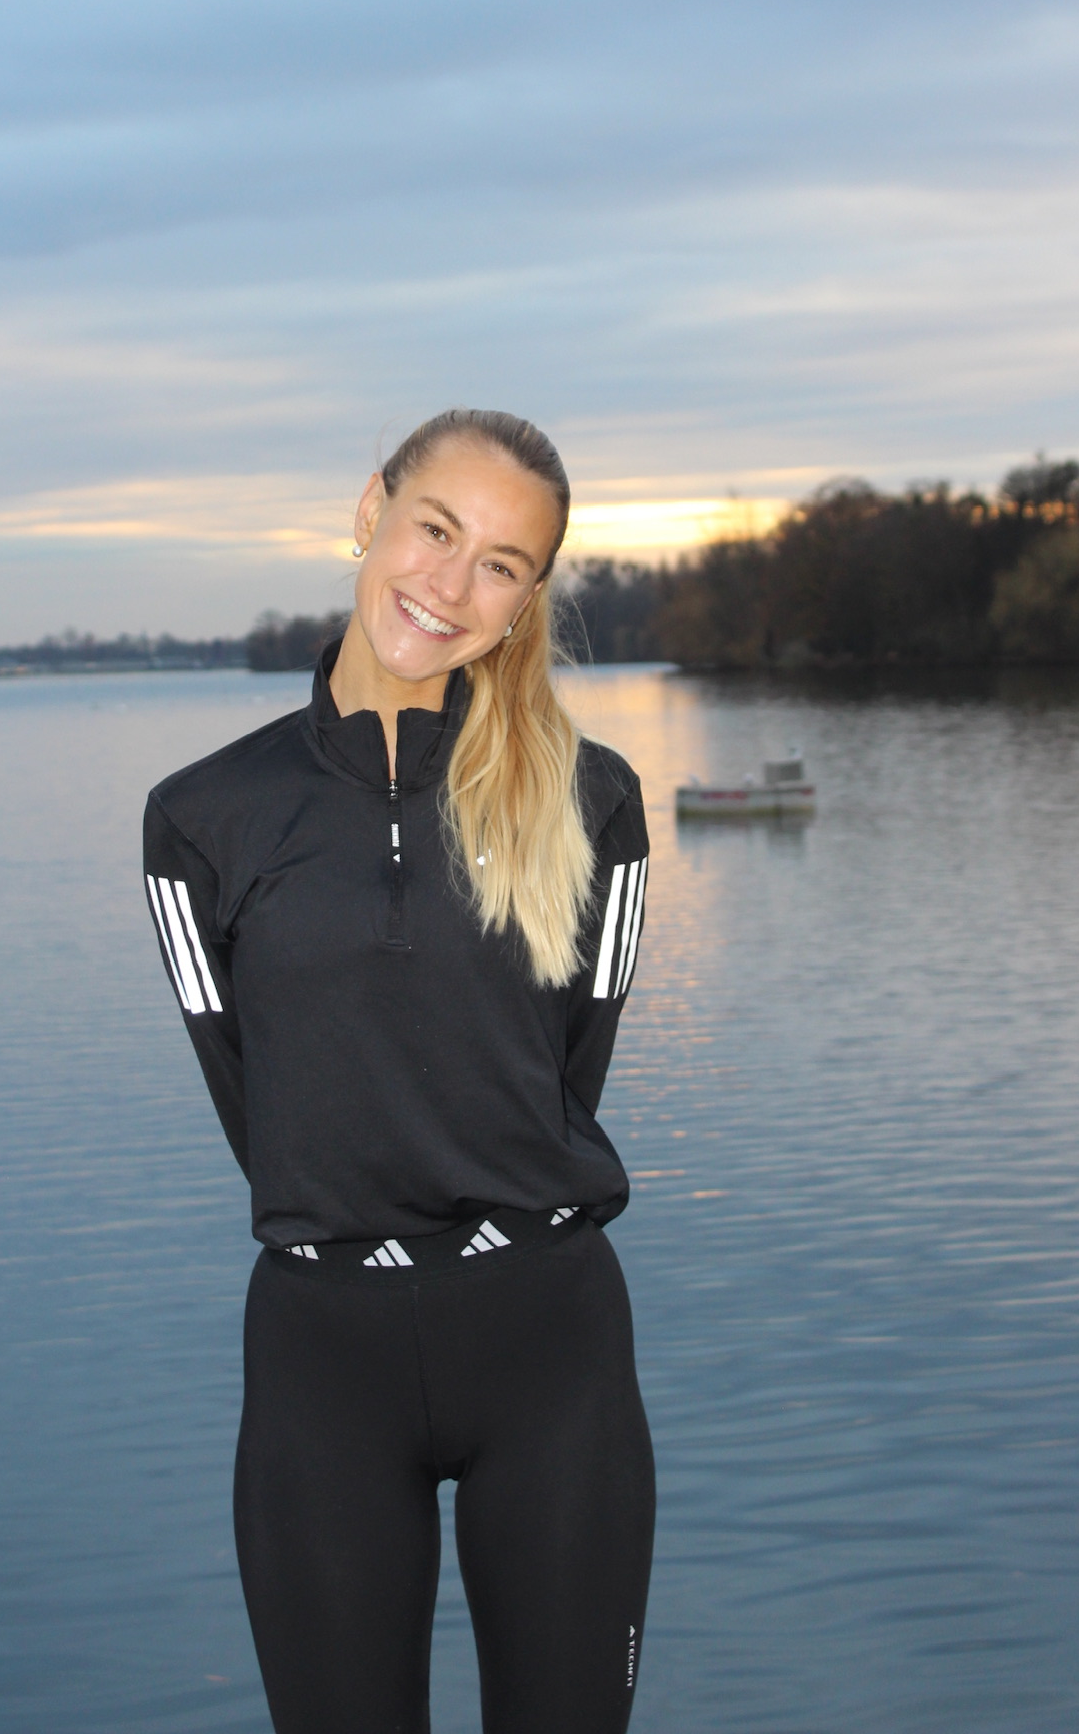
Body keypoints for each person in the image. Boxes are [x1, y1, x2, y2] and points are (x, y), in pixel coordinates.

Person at [143, 409, 655, 1734]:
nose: (450, 584)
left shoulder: (594, 801)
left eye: (501, 564)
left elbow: (564, 1078)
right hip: (323, 1358)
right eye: (436, 529)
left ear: (528, 599)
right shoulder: (202, 819)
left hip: (549, 1346)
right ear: (372, 509)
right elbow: (254, 1099)